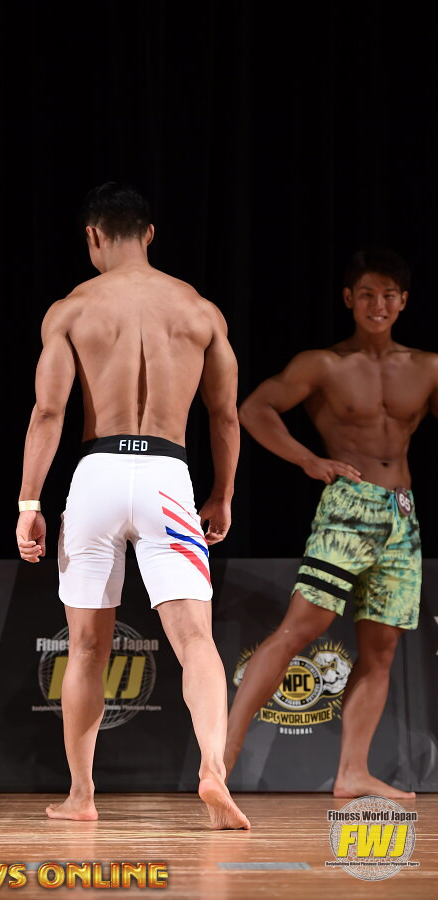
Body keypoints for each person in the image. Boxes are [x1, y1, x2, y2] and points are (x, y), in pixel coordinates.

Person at [16, 183, 249, 828]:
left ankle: (82, 797)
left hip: (95, 475)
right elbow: (226, 417)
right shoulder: (200, 311)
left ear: (93, 235)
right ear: (149, 234)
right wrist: (223, 494)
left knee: (87, 648)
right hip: (168, 478)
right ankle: (212, 769)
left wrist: (30, 501)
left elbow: (48, 412)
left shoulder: (72, 309)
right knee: (196, 640)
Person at [224, 248, 438, 799]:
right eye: (367, 294)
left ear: (404, 301)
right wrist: (307, 460)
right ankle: (219, 759)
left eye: (388, 295)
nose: (377, 304)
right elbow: (254, 410)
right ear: (349, 298)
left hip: (402, 516)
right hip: (348, 508)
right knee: (300, 629)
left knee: (382, 649)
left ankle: (352, 772)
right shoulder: (323, 364)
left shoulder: (427, 367)